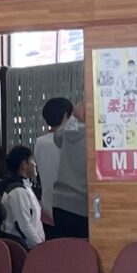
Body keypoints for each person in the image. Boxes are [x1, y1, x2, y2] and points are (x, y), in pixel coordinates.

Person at [34, 96, 90, 240]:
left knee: (62, 249)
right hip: (80, 205)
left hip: (55, 204)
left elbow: (59, 134)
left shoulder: (46, 140)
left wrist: (74, 116)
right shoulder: (92, 136)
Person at [0, 147, 46, 248]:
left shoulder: (25, 186)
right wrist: (40, 246)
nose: (35, 164)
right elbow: (24, 225)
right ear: (24, 165)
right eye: (32, 160)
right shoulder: (17, 191)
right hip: (25, 247)